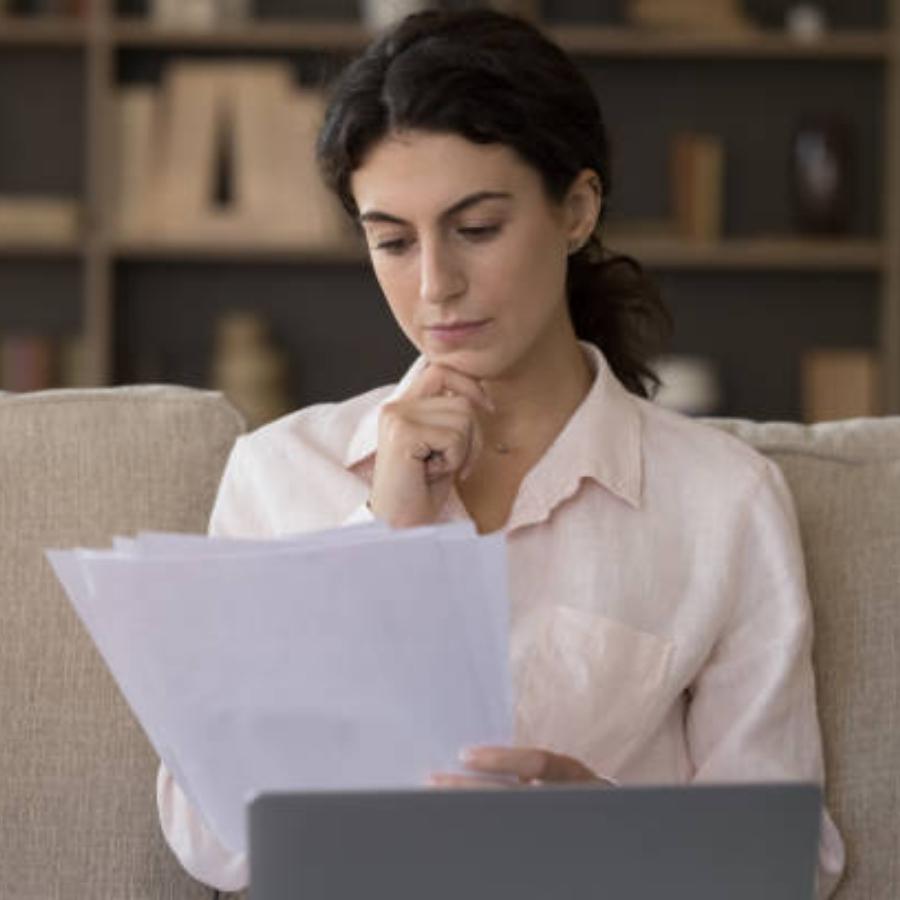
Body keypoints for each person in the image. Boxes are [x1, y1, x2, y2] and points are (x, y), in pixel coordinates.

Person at [157, 9, 845, 895]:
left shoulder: (721, 500)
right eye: (392, 241)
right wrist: (385, 535)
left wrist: (607, 831)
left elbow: (789, 859)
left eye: (477, 228)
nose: (435, 284)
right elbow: (211, 840)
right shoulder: (280, 473)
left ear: (577, 209)